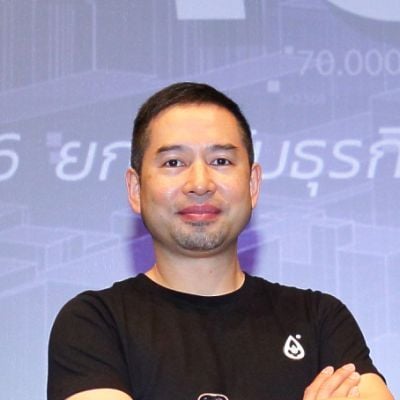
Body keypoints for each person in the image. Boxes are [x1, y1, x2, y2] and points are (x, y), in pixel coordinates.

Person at [47, 82, 393, 400]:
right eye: (174, 162)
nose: (200, 183)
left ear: (253, 184)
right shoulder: (94, 323)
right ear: (136, 190)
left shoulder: (319, 321)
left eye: (221, 161)